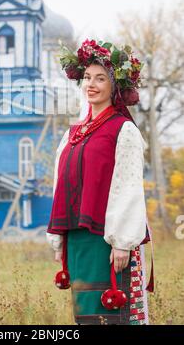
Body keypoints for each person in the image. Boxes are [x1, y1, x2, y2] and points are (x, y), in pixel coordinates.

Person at [46, 38, 154, 325]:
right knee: (85, 317)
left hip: (107, 240)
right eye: (87, 77)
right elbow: (61, 184)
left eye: (100, 78)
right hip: (78, 238)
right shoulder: (73, 133)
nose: (91, 84)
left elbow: (128, 187)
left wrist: (122, 242)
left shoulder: (123, 129)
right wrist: (59, 241)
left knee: (109, 316)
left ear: (114, 86)